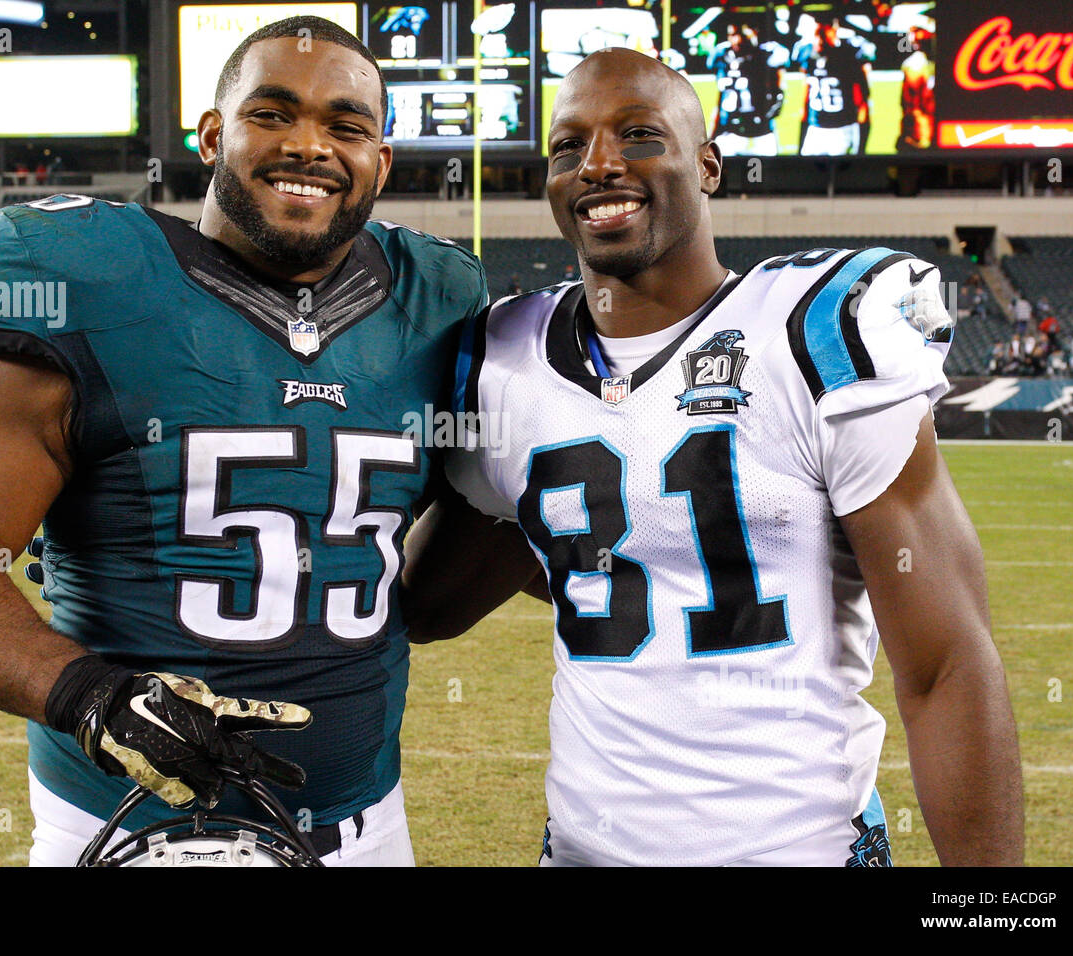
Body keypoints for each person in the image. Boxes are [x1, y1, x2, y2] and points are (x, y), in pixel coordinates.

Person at [0, 16, 487, 867]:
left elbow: (455, 556)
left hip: (367, 825)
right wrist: (94, 697)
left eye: (346, 126)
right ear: (211, 136)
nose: (310, 145)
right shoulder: (89, 278)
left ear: (381, 161)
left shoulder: (438, 300)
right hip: (123, 825)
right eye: (272, 114)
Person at [402, 48, 1023, 866]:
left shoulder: (814, 332)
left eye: (639, 135)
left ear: (709, 167)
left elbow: (946, 664)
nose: (598, 164)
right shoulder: (509, 361)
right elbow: (429, 606)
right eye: (567, 147)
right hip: (585, 851)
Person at [794, 18, 873, 156]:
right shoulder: (808, 54)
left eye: (821, 34)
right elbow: (805, 101)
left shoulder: (848, 56)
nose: (818, 41)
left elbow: (862, 104)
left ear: (833, 31)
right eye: (816, 35)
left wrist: (861, 149)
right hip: (815, 129)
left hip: (842, 129)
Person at [707, 23, 787, 157]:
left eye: (742, 35)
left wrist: (768, 114)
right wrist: (712, 134)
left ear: (753, 34)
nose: (737, 40)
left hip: (761, 132)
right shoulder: (722, 57)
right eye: (732, 35)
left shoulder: (765, 56)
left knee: (762, 174)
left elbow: (778, 91)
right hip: (731, 131)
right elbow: (721, 99)